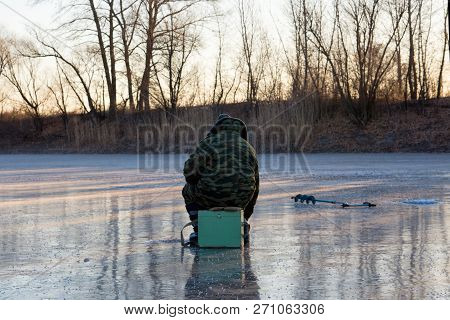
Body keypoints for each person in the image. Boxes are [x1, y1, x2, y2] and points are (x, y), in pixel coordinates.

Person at [182, 114, 259, 244]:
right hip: (241, 199)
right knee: (250, 187)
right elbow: (256, 185)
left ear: (217, 127)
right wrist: (245, 215)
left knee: (187, 191)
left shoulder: (208, 143)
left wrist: (200, 179)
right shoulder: (248, 148)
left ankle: (199, 230)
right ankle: (241, 224)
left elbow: (189, 173)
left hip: (211, 196)